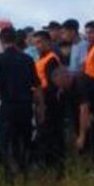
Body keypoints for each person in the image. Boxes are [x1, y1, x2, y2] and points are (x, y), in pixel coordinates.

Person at [0, 27, 40, 182]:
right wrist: (40, 107)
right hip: (25, 107)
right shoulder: (27, 59)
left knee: (7, 141)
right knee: (25, 139)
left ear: (1, 41)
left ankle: (9, 176)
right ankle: (25, 172)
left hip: (9, 107)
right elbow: (37, 86)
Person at [53, 66, 94, 176]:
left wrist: (82, 136)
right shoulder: (66, 89)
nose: (60, 87)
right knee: (89, 133)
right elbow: (75, 113)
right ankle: (90, 165)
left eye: (61, 84)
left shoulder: (80, 83)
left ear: (67, 77)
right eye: (58, 85)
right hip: (92, 107)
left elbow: (83, 109)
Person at [32, 31, 65, 176]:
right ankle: (48, 165)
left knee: (52, 135)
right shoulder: (41, 59)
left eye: (39, 42)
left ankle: (57, 168)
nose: (37, 45)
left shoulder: (51, 59)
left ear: (47, 42)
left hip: (49, 102)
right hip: (42, 100)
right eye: (35, 42)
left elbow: (53, 84)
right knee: (45, 135)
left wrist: (43, 103)